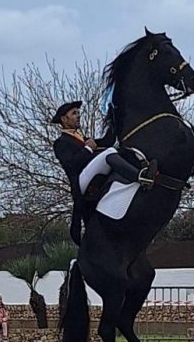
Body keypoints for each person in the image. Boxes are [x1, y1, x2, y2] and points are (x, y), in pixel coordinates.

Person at [51, 101, 158, 244]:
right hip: (80, 182)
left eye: (78, 112)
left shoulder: (82, 138)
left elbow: (108, 141)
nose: (78, 116)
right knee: (110, 152)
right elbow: (72, 164)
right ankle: (140, 177)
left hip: (92, 178)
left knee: (118, 151)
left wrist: (114, 116)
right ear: (64, 119)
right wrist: (88, 149)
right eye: (74, 113)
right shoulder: (61, 142)